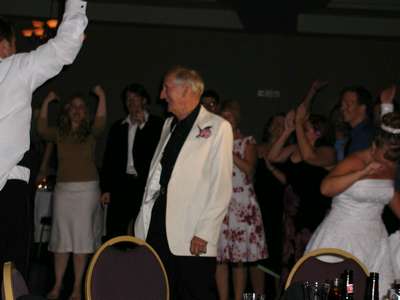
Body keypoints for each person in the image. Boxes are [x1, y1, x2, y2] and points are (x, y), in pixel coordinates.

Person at [0, 0, 87, 285]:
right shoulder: (16, 68)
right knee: (11, 276)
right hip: (8, 191)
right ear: (5, 46)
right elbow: (66, 45)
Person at [134, 66, 233, 299]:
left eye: (166, 88)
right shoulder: (169, 125)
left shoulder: (219, 127)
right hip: (158, 226)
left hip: (192, 234)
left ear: (186, 90)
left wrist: (205, 232)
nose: (161, 95)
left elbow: (221, 187)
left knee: (192, 293)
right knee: (157, 290)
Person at [305, 112, 400, 297]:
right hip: (342, 235)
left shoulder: (390, 162)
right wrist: (362, 173)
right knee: (336, 292)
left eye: (391, 161)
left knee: (379, 292)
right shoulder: (355, 161)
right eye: (383, 158)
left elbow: (389, 196)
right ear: (374, 146)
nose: (386, 164)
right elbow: (326, 188)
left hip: (374, 240)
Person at [37, 86, 106, 300]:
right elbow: (41, 129)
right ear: (67, 110)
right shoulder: (59, 132)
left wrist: (101, 96)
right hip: (64, 191)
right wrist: (47, 102)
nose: (77, 110)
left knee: (82, 241)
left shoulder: (91, 132)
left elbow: (101, 122)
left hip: (87, 191)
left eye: (82, 107)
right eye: (73, 107)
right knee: (61, 240)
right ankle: (57, 286)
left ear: (86, 112)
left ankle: (77, 288)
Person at [216, 100, 268, 300]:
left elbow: (249, 170)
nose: (226, 119)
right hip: (221, 203)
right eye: (223, 116)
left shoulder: (248, 142)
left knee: (238, 259)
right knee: (220, 258)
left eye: (229, 116)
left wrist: (228, 150)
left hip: (241, 203)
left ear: (236, 119)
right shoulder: (215, 143)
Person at [100, 83, 163, 239]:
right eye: (128, 99)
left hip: (145, 184)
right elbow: (109, 159)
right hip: (121, 184)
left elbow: (157, 153)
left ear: (144, 101)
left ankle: (141, 262)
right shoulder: (118, 127)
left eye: (135, 98)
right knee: (116, 229)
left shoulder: (157, 124)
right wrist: (106, 188)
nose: (131, 102)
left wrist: (143, 126)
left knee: (143, 228)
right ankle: (116, 261)